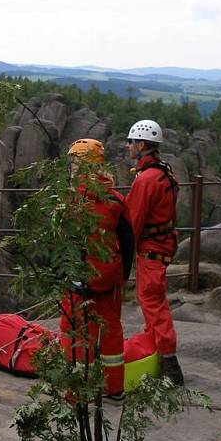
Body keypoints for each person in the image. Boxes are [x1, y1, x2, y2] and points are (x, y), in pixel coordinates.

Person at [59, 138, 133, 401]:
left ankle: (79, 391)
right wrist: (121, 277)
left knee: (76, 334)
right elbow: (127, 241)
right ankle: (115, 390)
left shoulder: (72, 200)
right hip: (109, 276)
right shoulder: (115, 198)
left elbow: (64, 240)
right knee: (111, 330)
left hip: (80, 276)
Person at [124, 119, 184, 385]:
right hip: (160, 245)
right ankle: (157, 352)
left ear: (142, 144)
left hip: (151, 249)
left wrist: (120, 252)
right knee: (152, 300)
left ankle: (169, 365)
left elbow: (133, 220)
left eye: (131, 142)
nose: (128, 147)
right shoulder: (164, 173)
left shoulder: (147, 180)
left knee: (152, 300)